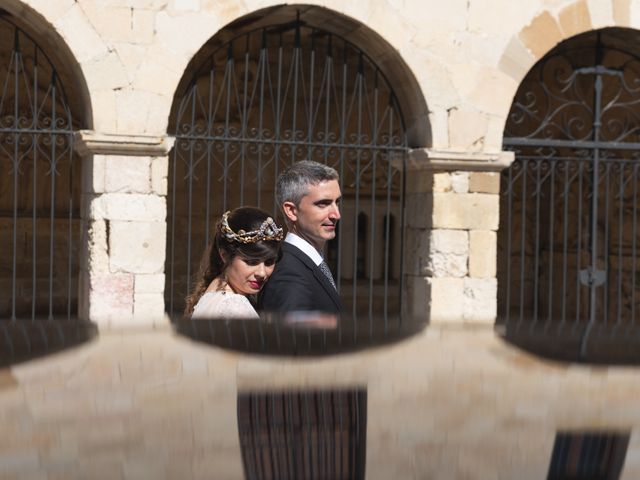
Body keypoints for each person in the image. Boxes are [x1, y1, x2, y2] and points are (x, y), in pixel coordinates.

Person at [258, 160, 343, 316]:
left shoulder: (306, 261)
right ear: (291, 211)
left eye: (337, 202)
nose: (336, 215)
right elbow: (290, 339)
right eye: (323, 204)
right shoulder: (289, 275)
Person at [185, 207, 284, 319]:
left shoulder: (212, 291)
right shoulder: (236, 308)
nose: (261, 273)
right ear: (225, 256)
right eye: (251, 262)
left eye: (269, 262)